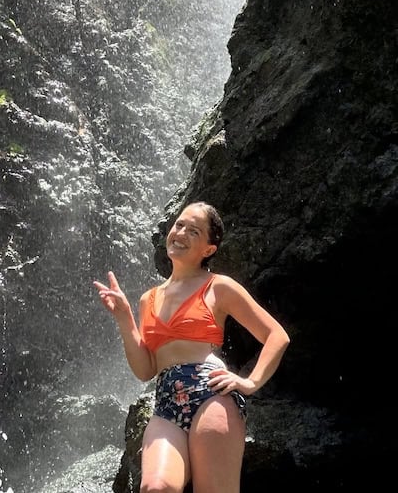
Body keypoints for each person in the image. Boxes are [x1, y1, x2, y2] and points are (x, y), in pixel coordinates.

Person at [93, 201, 290, 493]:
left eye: (194, 231)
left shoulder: (218, 287)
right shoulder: (149, 299)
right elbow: (146, 369)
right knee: (155, 487)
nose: (181, 233)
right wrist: (124, 318)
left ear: (208, 249)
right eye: (179, 225)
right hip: (166, 402)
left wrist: (249, 382)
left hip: (211, 395)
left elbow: (277, 335)